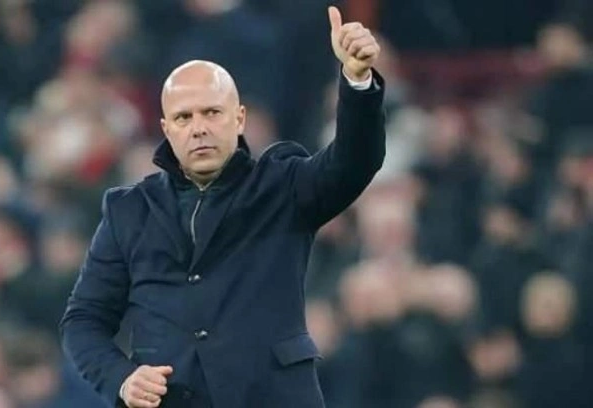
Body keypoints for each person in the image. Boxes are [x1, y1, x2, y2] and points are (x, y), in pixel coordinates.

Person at [60, 6, 385, 408]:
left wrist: (357, 80)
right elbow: (84, 320)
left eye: (211, 112)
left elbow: (354, 163)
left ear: (239, 118)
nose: (198, 127)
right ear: (166, 129)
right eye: (183, 117)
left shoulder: (283, 185)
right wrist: (122, 379)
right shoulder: (128, 210)